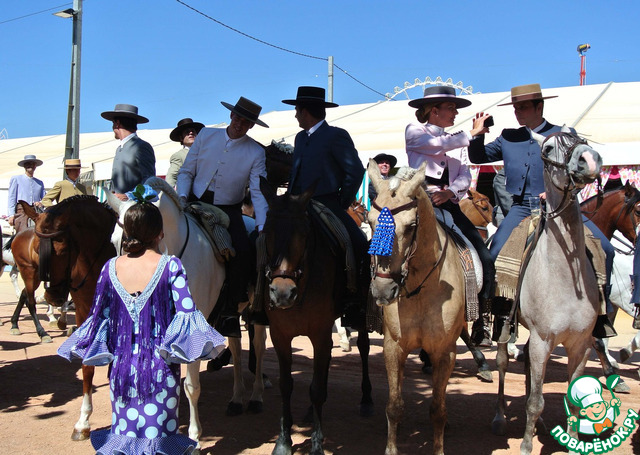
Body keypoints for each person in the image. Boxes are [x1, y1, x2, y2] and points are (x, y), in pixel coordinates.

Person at [58, 185, 226, 455]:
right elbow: (187, 316)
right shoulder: (171, 265)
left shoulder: (110, 268)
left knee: (125, 439)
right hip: (161, 371)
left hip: (121, 370)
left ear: (127, 232)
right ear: (160, 233)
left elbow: (98, 319)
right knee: (158, 441)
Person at [468, 83, 616, 338]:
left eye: (523, 107)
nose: (518, 112)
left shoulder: (564, 135)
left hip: (561, 206)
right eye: (516, 107)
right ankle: (498, 317)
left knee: (606, 249)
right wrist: (477, 135)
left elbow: (581, 173)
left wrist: (560, 192)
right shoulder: (508, 136)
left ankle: (601, 314)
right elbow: (478, 157)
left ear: (539, 107)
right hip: (521, 208)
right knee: (493, 254)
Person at [406, 85, 495, 346]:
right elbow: (435, 145)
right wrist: (471, 134)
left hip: (449, 204)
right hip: (417, 200)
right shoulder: (414, 131)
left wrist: (451, 193)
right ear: (434, 111)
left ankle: (482, 320)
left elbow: (465, 174)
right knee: (382, 241)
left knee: (484, 254)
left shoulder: (458, 140)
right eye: (451, 108)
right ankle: (370, 300)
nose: (455, 113)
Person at [176, 96, 269, 338]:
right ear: (231, 115)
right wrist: (182, 197)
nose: (240, 124)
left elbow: (257, 191)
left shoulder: (256, 152)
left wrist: (262, 225)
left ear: (251, 126)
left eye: (246, 122)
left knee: (244, 252)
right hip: (195, 201)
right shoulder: (206, 135)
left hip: (229, 210)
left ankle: (230, 312)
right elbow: (187, 171)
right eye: (238, 118)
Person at [282, 86, 368, 326]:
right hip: (296, 206)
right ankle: (261, 299)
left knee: (359, 244)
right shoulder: (300, 138)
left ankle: (356, 302)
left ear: (305, 111)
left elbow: (355, 170)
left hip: (326, 203)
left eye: (297, 110)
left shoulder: (336, 135)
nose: (295, 115)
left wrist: (341, 201)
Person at [101, 104, 156, 200]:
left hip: (135, 207)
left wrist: (129, 196)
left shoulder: (141, 146)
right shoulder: (119, 149)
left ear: (117, 123)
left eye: (113, 123)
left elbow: (149, 180)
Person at [8, 154, 46, 233]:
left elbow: (45, 199)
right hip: (22, 211)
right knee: (22, 233)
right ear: (24, 166)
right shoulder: (16, 179)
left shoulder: (39, 183)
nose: (30, 165)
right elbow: (11, 197)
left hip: (35, 212)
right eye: (28, 163)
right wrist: (11, 215)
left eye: (32, 164)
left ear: (35, 166)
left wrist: (41, 203)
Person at [165, 118, 205, 187]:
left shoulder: (206, 152)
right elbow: (171, 177)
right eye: (187, 132)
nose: (191, 133)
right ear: (181, 138)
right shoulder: (179, 156)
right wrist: (167, 192)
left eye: (193, 131)